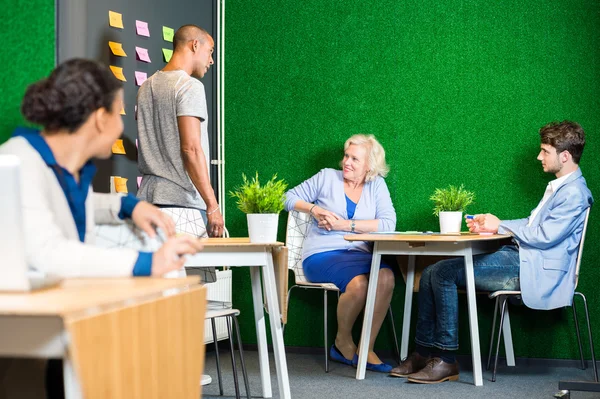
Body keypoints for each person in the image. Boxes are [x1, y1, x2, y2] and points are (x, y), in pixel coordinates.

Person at [0, 58, 204, 399]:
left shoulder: (62, 169)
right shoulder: (19, 162)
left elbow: (67, 205)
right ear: (99, 119)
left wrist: (130, 204)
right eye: (118, 113)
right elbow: (48, 252)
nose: (120, 127)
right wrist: (147, 263)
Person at [390, 121, 593, 384]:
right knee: (429, 271)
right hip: (521, 258)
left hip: (532, 269)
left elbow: (545, 236)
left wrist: (500, 225)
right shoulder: (561, 186)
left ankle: (447, 360)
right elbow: (533, 225)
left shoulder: (575, 193)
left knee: (441, 273)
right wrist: (493, 223)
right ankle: (423, 352)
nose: (539, 156)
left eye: (545, 151)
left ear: (564, 156)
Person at [284, 134, 397, 372]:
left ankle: (366, 347)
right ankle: (342, 342)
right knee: (359, 285)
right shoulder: (326, 177)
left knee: (387, 277)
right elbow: (287, 197)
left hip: (358, 252)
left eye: (355, 159)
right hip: (322, 254)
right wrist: (313, 209)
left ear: (369, 167)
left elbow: (388, 224)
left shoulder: (376, 185)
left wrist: (345, 226)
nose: (347, 162)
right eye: (346, 156)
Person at [136, 24, 223, 241]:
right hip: (183, 209)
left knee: (158, 275)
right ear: (195, 45)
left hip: (147, 205)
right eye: (210, 51)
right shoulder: (189, 86)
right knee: (194, 276)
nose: (211, 60)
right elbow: (191, 149)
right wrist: (212, 205)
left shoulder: (145, 87)